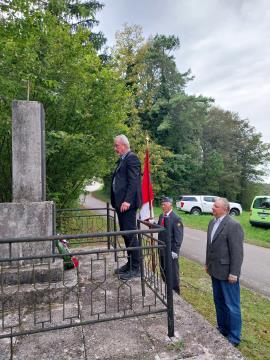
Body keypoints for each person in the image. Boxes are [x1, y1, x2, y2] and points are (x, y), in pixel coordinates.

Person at [205, 197, 244, 347]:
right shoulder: (212, 222)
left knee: (232, 306)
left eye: (216, 206)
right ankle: (222, 328)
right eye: (213, 205)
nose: (212, 208)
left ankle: (234, 337)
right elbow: (210, 246)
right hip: (215, 270)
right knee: (219, 301)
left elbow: (237, 252)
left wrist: (234, 273)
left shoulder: (233, 225)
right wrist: (207, 264)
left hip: (228, 274)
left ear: (225, 210)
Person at [111, 135, 142, 280]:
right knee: (125, 233)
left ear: (123, 145)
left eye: (116, 146)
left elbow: (134, 181)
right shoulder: (123, 159)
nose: (115, 148)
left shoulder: (132, 158)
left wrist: (128, 201)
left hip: (127, 205)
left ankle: (136, 267)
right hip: (121, 205)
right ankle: (130, 264)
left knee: (130, 234)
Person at [158, 197, 184, 295]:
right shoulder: (162, 216)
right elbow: (160, 229)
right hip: (161, 248)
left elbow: (179, 236)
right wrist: (153, 224)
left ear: (170, 205)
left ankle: (175, 292)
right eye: (162, 204)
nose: (162, 206)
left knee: (173, 272)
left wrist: (175, 251)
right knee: (163, 269)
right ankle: (166, 289)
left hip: (170, 250)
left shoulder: (176, 218)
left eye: (164, 204)